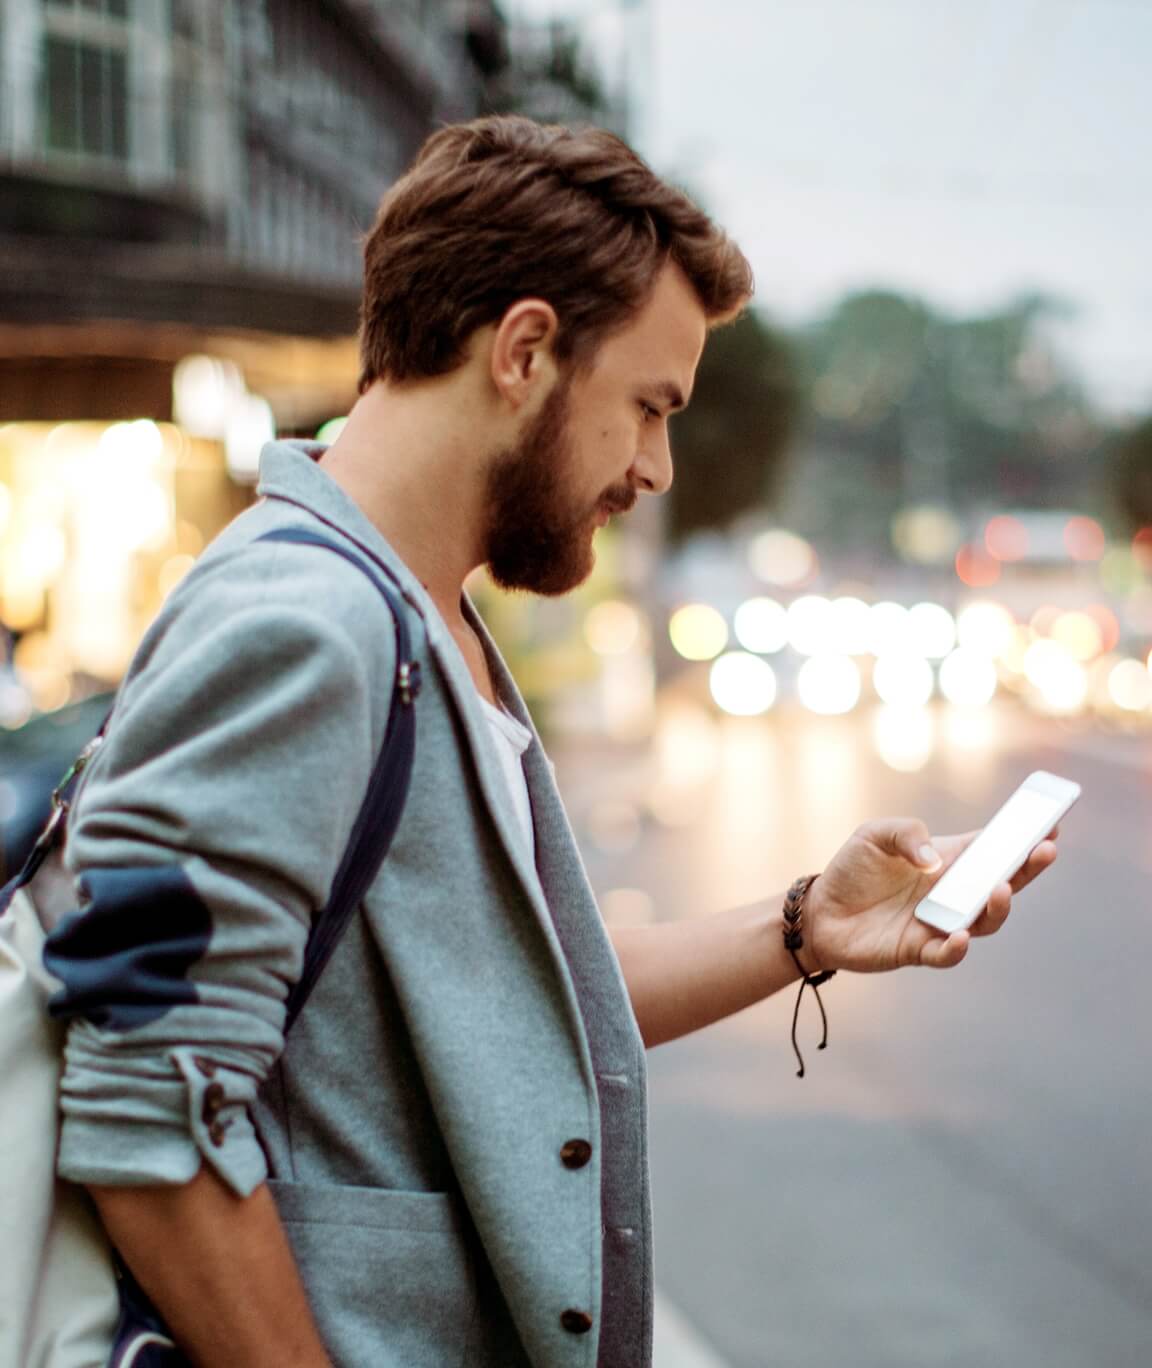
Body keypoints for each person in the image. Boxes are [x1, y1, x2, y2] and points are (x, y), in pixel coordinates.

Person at [46, 116, 1058, 1367]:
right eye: (647, 406)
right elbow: (149, 1102)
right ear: (525, 350)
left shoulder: (420, 616)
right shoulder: (304, 624)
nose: (658, 466)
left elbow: (502, 1004)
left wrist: (807, 926)